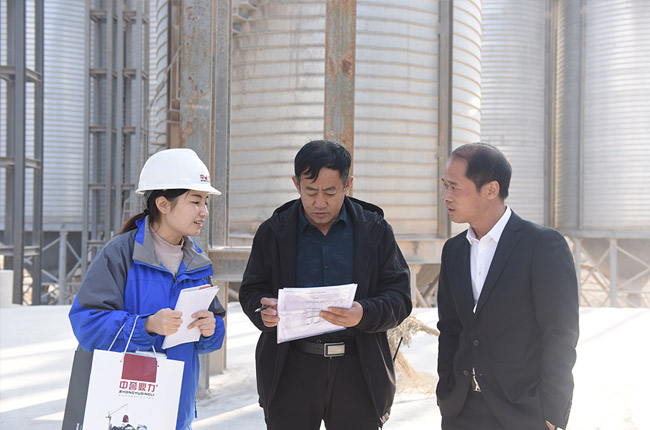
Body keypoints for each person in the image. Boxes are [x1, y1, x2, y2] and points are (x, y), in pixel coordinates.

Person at [239, 140, 412, 429]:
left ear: (348, 184)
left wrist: (364, 313)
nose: (320, 203)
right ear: (296, 184)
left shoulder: (374, 231)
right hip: (291, 370)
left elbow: (400, 297)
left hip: (358, 370)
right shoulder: (274, 232)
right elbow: (251, 290)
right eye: (310, 191)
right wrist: (262, 310)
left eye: (330, 192)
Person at [69, 148, 226, 430]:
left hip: (176, 408)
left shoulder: (197, 261)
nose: (204, 211)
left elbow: (209, 335)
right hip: (125, 408)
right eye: (195, 201)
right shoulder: (120, 254)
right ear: (163, 204)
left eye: (205, 202)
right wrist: (147, 326)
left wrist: (210, 328)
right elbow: (87, 323)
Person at [436, 143, 579, 430]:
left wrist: (553, 413)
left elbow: (560, 333)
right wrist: (446, 392)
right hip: (460, 410)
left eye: (454, 187)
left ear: (491, 190)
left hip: (523, 412)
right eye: (445, 186)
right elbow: (450, 329)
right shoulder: (453, 250)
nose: (446, 196)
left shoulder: (542, 245)